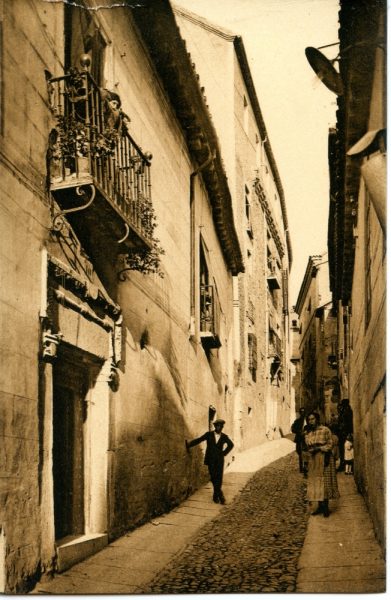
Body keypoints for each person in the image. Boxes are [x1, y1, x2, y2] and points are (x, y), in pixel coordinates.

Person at [186, 418, 234, 504]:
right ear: (215, 426)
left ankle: (216, 497)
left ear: (222, 427)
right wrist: (190, 444)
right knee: (213, 477)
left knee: (219, 478)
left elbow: (231, 445)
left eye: (220, 426)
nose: (219, 428)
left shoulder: (224, 436)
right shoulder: (209, 434)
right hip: (210, 460)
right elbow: (199, 439)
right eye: (217, 426)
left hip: (219, 460)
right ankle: (220, 495)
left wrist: (224, 453)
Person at [304, 411, 339, 517]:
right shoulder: (308, 433)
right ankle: (319, 506)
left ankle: (326, 507)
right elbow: (307, 446)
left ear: (317, 419)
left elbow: (330, 444)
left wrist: (319, 448)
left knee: (325, 482)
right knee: (316, 482)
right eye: (309, 419)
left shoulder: (325, 430)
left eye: (313, 419)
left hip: (325, 458)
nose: (311, 421)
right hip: (314, 460)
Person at [337, 399, 353, 472]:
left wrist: (347, 432)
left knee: (345, 451)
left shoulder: (346, 411)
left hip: (344, 434)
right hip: (343, 433)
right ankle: (343, 465)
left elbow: (347, 423)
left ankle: (344, 465)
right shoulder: (345, 411)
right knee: (343, 451)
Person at [291, 407, 308, 475]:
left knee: (307, 453)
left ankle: (306, 467)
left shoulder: (309, 420)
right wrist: (299, 431)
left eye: (304, 412)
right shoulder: (297, 421)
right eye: (301, 412)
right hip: (300, 439)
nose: (302, 413)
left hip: (308, 439)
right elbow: (293, 429)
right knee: (300, 453)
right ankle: (302, 468)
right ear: (300, 413)